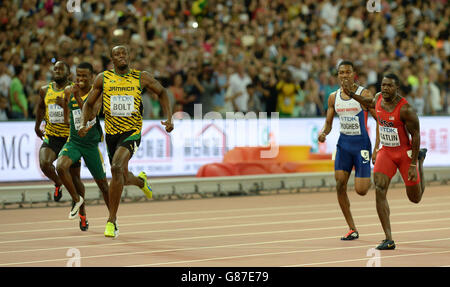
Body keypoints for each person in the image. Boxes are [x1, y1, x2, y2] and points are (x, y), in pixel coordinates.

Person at [79, 45, 174, 238]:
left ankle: (111, 221)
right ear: (112, 59)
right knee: (120, 174)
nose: (121, 56)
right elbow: (88, 103)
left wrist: (169, 117)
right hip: (111, 134)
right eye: (117, 54)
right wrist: (84, 123)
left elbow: (162, 92)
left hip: (132, 132)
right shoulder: (103, 78)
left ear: (129, 57)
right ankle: (140, 181)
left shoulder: (141, 77)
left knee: (115, 167)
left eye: (124, 53)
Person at [343, 73, 427, 250]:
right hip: (387, 152)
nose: (385, 88)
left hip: (405, 153)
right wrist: (352, 95)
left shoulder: (406, 109)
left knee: (415, 198)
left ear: (397, 88)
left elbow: (416, 135)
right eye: (383, 85)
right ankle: (388, 238)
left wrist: (413, 163)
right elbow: (369, 104)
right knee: (379, 189)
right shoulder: (378, 98)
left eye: (389, 86)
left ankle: (421, 162)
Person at [318, 61, 376, 241]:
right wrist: (323, 133)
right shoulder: (333, 97)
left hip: (361, 147)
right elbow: (328, 124)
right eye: (341, 72)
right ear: (338, 75)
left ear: (354, 74)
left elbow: (380, 120)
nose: (344, 75)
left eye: (347, 72)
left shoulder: (363, 94)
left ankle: (366, 174)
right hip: (343, 146)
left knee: (361, 190)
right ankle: (352, 228)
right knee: (339, 184)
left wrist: (377, 147)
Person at [56, 62, 110, 230]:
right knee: (61, 167)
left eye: (84, 76)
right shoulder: (68, 91)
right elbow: (67, 115)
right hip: (74, 142)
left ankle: (112, 218)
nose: (80, 79)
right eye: (78, 75)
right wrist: (66, 114)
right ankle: (77, 200)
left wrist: (78, 97)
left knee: (102, 185)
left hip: (91, 145)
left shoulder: (97, 93)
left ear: (92, 77)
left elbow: (92, 113)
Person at [34, 61, 83, 209]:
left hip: (71, 139)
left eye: (61, 69)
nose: (57, 71)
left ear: (68, 74)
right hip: (52, 136)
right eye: (55, 69)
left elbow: (82, 111)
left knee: (75, 179)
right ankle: (58, 182)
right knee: (44, 164)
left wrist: (65, 104)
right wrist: (37, 126)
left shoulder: (75, 90)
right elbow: (41, 107)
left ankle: (82, 213)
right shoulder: (44, 90)